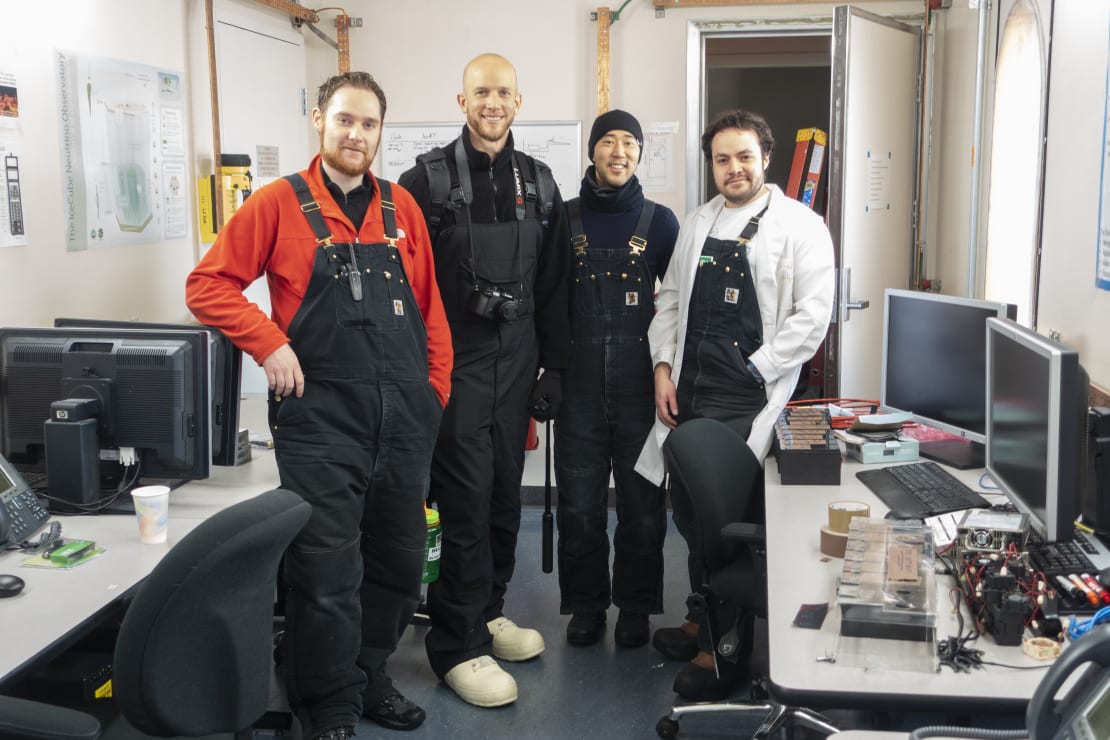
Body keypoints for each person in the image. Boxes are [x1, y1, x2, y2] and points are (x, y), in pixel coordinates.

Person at [186, 71, 452, 739]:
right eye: (344, 121)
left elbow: (431, 314)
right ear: (319, 121)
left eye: (368, 124)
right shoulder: (279, 203)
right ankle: (326, 698)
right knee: (326, 572)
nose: (356, 134)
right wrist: (269, 343)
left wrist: (432, 397)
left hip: (403, 419)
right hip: (320, 422)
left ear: (379, 132)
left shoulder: (402, 210)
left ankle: (368, 676)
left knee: (397, 562)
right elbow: (207, 285)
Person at [634, 109, 835, 701]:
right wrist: (664, 368)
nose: (734, 168)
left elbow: (812, 315)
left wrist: (759, 367)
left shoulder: (801, 226)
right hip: (689, 392)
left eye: (744, 156)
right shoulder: (698, 223)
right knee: (690, 516)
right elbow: (670, 300)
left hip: (746, 398)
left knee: (725, 524)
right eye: (722, 158)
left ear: (765, 158)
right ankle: (701, 614)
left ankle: (725, 650)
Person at [397, 52, 570, 708]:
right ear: (461, 100)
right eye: (480, 93)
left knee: (503, 497)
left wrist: (555, 366)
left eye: (503, 92)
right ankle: (456, 644)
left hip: (519, 359)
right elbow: (406, 287)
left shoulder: (540, 182)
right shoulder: (424, 182)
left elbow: (553, 284)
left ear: (518, 102)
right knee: (464, 502)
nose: (492, 103)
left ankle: (490, 612)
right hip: (456, 367)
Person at [554, 110, 679, 648]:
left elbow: (676, 308)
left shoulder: (662, 222)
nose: (620, 151)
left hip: (638, 388)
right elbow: (551, 304)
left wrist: (667, 372)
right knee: (579, 507)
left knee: (641, 506)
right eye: (609, 141)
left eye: (630, 142)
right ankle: (585, 606)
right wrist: (548, 373)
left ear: (639, 152)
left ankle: (634, 607)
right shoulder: (563, 219)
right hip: (578, 389)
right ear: (593, 151)